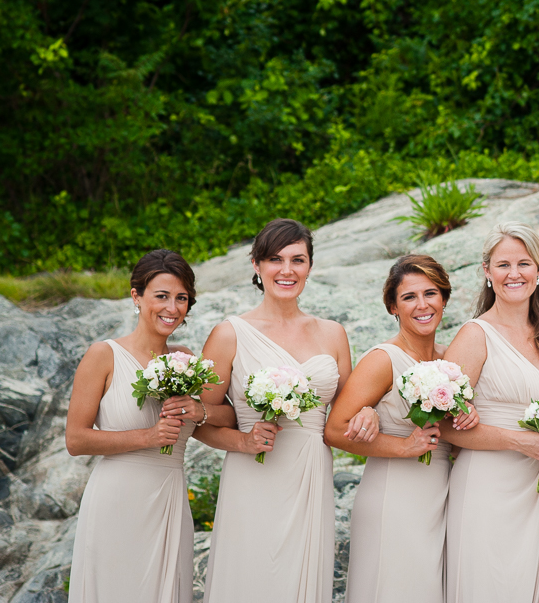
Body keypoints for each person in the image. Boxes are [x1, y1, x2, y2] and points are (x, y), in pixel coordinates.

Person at [194, 218, 354, 603]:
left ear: (310, 267)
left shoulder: (332, 333)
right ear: (256, 265)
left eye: (297, 260)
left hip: (310, 474)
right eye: (274, 259)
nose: (287, 270)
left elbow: (349, 411)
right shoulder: (230, 333)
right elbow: (201, 417)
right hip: (253, 473)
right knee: (250, 578)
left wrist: (368, 415)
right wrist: (243, 441)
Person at [443, 223, 539, 603]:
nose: (514, 274)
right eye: (503, 265)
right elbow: (444, 427)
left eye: (524, 264)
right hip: (487, 484)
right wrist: (518, 440)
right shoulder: (474, 335)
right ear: (487, 272)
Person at [326, 254, 481, 603]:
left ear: (444, 299)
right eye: (409, 297)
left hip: (439, 497)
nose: (422, 305)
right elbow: (335, 430)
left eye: (431, 293)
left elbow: (453, 440)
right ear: (393, 307)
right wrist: (403, 447)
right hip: (393, 497)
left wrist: (466, 418)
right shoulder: (383, 359)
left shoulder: (449, 363)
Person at [66, 249, 203, 603]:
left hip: (171, 497)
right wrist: (148, 436)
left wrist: (198, 410)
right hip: (117, 500)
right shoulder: (104, 355)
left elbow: (219, 418)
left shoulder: (186, 359)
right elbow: (76, 439)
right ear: (136, 297)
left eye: (181, 298)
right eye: (161, 296)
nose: (172, 308)